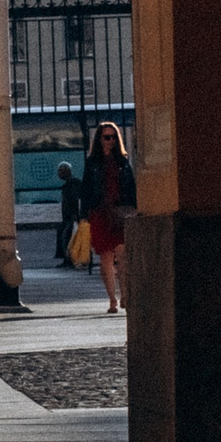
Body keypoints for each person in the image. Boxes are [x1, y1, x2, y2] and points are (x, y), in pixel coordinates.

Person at [82, 121, 137, 312]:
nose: (110, 141)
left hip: (120, 212)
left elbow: (131, 186)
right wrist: (84, 216)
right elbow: (86, 190)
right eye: (106, 137)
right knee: (105, 257)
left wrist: (133, 208)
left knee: (122, 255)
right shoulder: (92, 163)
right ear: (99, 139)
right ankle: (112, 299)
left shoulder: (122, 161)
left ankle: (126, 296)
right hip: (100, 212)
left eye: (114, 137)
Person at [55, 162, 82, 267]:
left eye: (61, 171)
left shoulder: (72, 184)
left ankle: (69, 259)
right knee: (67, 235)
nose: (59, 174)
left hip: (72, 216)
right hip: (69, 216)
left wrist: (75, 214)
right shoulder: (70, 184)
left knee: (67, 237)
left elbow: (74, 200)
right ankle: (68, 259)